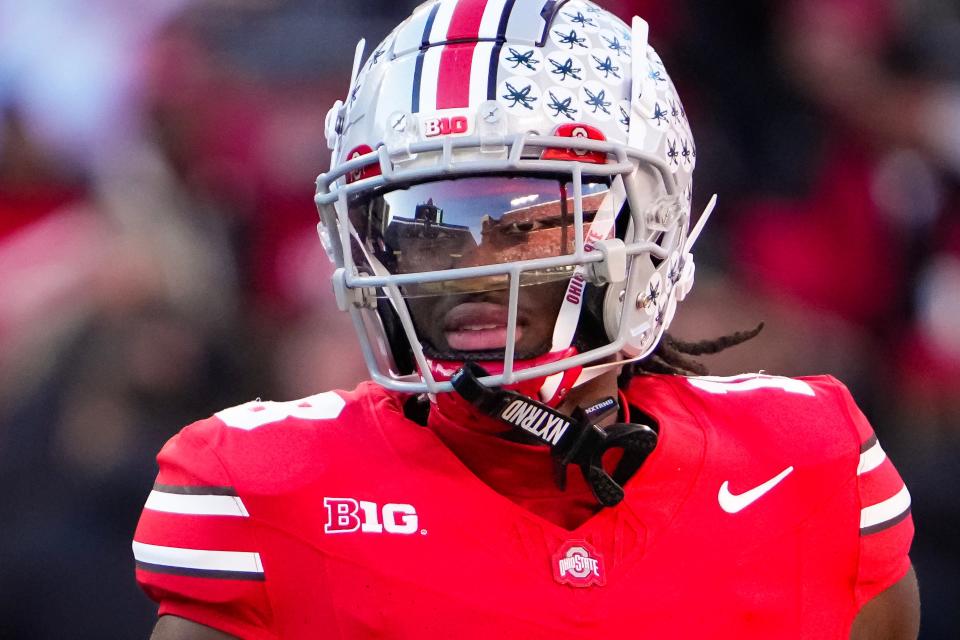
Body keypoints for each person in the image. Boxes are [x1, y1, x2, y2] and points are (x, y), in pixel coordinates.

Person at [132, 1, 919, 638]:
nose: (465, 266)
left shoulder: (809, 467)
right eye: (426, 225)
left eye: (518, 220)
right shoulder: (261, 492)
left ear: (640, 225)